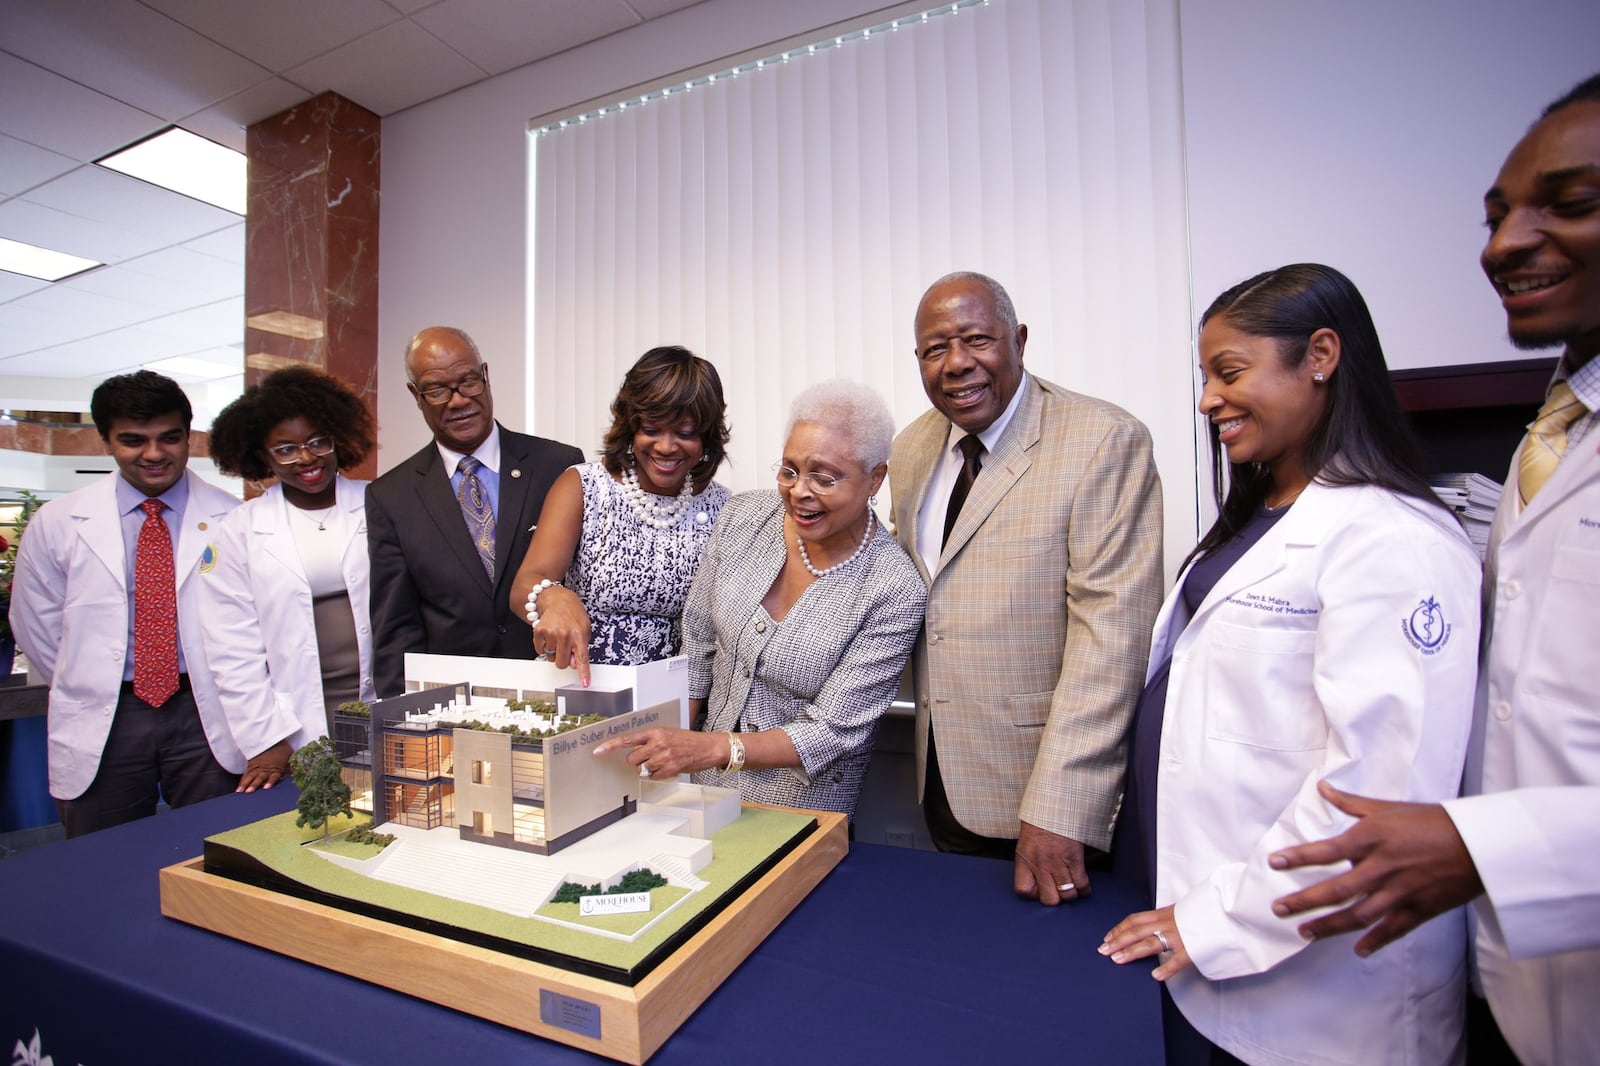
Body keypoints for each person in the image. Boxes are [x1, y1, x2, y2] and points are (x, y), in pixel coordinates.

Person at [1268, 73, 1600, 1066]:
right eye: (1496, 215)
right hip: (1503, 980)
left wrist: (1483, 844)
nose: (1504, 243)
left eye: (1568, 204)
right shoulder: (1551, 435)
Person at [1099, 264, 1482, 1065]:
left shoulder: (1394, 538)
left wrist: (1214, 921)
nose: (1208, 399)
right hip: (1215, 939)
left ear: (1321, 355)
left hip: (1323, 997)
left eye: (1229, 372)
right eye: (1206, 376)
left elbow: (1374, 797)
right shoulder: (1262, 515)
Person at [888, 270, 1164, 902]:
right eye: (935, 349)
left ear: (1020, 340)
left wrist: (1061, 808)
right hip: (943, 781)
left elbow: (1111, 641)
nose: (957, 364)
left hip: (1046, 804)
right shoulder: (911, 449)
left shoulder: (1102, 441)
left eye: (977, 340)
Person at [595, 380, 926, 817]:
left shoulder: (893, 588)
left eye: (824, 478)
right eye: (789, 470)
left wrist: (710, 749)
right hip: (700, 784)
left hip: (803, 805)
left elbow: (831, 731)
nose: (799, 491)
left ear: (875, 477)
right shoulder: (744, 517)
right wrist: (671, 746)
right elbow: (697, 643)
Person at [10, 371, 261, 837]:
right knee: (99, 853)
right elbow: (36, 623)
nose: (154, 453)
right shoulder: (59, 522)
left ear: (189, 437)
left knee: (220, 843)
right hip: (107, 715)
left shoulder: (233, 518)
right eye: (133, 440)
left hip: (205, 711)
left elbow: (254, 623)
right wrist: (90, 678)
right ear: (106, 441)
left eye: (170, 438)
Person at [366, 326, 583, 697]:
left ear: (485, 375)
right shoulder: (391, 496)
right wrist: (399, 724)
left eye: (468, 381)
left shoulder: (559, 466)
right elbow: (395, 629)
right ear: (416, 396)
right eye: (437, 389)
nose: (458, 400)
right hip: (454, 702)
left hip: (554, 686)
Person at [508, 346, 732, 686]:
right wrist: (552, 596)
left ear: (706, 436)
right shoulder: (583, 487)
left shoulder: (723, 508)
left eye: (684, 433)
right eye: (652, 429)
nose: (666, 447)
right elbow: (526, 582)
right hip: (581, 690)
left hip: (676, 702)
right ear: (631, 426)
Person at [199, 367, 378, 784]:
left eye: (318, 441)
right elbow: (231, 646)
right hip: (293, 712)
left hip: (380, 697)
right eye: (285, 449)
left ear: (339, 438)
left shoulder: (379, 501)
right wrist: (266, 738)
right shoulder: (240, 528)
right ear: (262, 456)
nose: (307, 458)